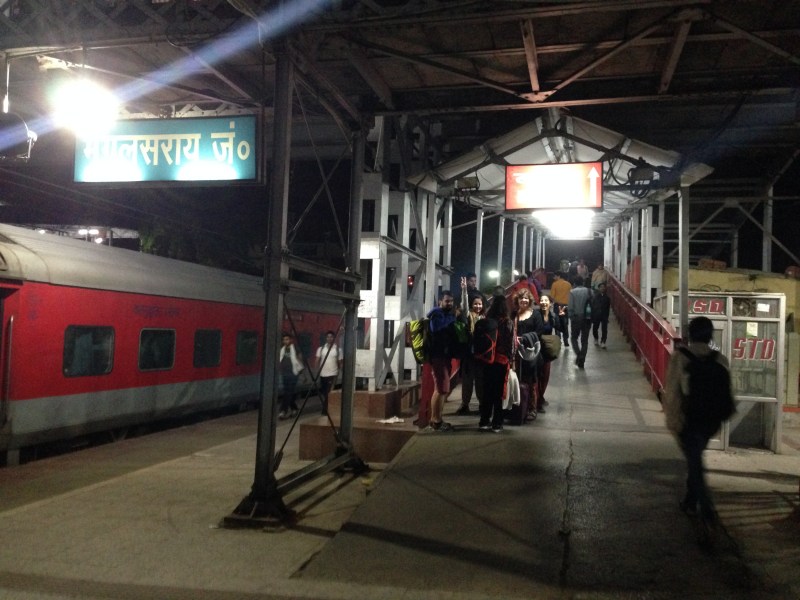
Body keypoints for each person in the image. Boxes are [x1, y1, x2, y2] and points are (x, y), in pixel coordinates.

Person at [663, 316, 731, 522]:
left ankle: (706, 508)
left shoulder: (680, 357)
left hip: (689, 419)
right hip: (711, 421)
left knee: (695, 462)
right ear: (710, 335)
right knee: (695, 458)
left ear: (690, 334)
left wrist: (673, 421)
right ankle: (691, 501)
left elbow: (673, 393)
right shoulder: (720, 359)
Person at [477, 292, 514, 432]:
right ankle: (497, 422)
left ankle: (484, 421)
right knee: (499, 393)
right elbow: (510, 344)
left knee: (487, 391)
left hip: (486, 360)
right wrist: (511, 360)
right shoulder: (507, 322)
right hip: (501, 360)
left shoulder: (486, 320)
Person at [425, 290, 459, 431]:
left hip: (444, 356)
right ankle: (435, 420)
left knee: (440, 389)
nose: (449, 303)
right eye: (446, 301)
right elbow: (436, 327)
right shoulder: (436, 313)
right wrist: (453, 318)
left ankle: (437, 419)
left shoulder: (446, 314)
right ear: (440, 301)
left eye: (451, 301)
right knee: (441, 388)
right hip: (438, 356)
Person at [456, 276, 484, 415]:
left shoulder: (484, 318)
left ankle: (481, 403)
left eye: (480, 304)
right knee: (467, 381)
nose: (478, 306)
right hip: (469, 353)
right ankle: (464, 404)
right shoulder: (469, 315)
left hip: (481, 354)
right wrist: (464, 291)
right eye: (476, 304)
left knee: (480, 381)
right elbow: (464, 306)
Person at [530, 294, 560, 412]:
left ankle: (540, 397)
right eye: (541, 300)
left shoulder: (552, 316)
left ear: (550, 303)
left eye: (546, 300)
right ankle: (537, 402)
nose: (543, 302)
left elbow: (560, 329)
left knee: (545, 375)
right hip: (537, 347)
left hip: (546, 348)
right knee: (537, 375)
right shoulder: (535, 314)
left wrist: (561, 317)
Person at [512, 288, 539, 418]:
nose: (523, 300)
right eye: (521, 298)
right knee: (516, 378)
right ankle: (518, 406)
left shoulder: (535, 314)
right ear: (517, 300)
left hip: (529, 353)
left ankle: (531, 408)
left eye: (526, 298)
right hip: (515, 352)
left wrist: (523, 338)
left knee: (530, 379)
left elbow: (539, 332)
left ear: (530, 300)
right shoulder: (514, 314)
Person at [315, 330, 341, 415]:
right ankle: (328, 407)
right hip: (323, 374)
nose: (329, 338)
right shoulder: (321, 349)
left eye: (331, 337)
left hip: (333, 374)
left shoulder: (338, 350)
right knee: (324, 392)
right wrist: (316, 371)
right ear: (326, 338)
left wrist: (341, 371)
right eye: (328, 337)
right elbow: (317, 360)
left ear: (334, 338)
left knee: (328, 392)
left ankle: (325, 410)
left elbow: (340, 362)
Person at [568, 276, 592, 369]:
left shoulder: (572, 292)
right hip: (587, 317)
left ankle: (579, 355)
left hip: (576, 318)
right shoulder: (590, 292)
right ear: (583, 282)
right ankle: (582, 358)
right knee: (584, 340)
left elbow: (570, 306)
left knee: (574, 338)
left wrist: (571, 317)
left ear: (574, 283)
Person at [278, 333, 304, 419]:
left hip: (294, 373)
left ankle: (283, 411)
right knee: (288, 392)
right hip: (285, 373)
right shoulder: (282, 349)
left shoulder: (295, 348)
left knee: (288, 392)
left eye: (287, 339)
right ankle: (294, 408)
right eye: (284, 339)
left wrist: (302, 373)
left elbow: (300, 360)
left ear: (291, 340)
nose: (286, 341)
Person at [549, 271, 572, 348]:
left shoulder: (554, 284)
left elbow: (552, 297)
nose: (553, 278)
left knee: (557, 323)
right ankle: (566, 340)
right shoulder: (568, 284)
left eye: (554, 276)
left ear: (558, 276)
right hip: (565, 306)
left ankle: (558, 340)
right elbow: (571, 295)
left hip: (557, 306)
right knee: (565, 323)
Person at [590, 282, 611, 349]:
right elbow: (592, 306)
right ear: (598, 288)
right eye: (601, 287)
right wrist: (592, 315)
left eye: (603, 287)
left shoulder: (607, 298)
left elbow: (608, 308)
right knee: (595, 328)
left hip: (604, 315)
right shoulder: (595, 297)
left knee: (604, 329)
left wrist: (607, 316)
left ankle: (603, 341)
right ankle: (596, 338)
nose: (602, 288)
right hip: (596, 314)